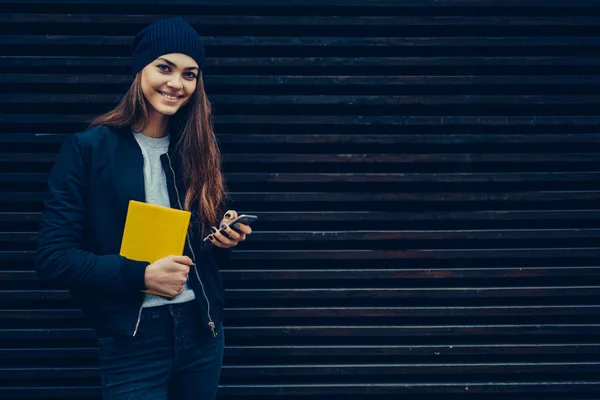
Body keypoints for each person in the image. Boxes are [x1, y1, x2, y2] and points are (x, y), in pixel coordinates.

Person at [35, 17, 251, 400]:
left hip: (202, 332)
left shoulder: (196, 151)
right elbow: (54, 258)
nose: (176, 83)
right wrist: (141, 275)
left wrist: (220, 242)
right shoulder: (88, 149)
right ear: (140, 70)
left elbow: (192, 254)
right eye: (164, 67)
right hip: (132, 338)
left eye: (190, 74)